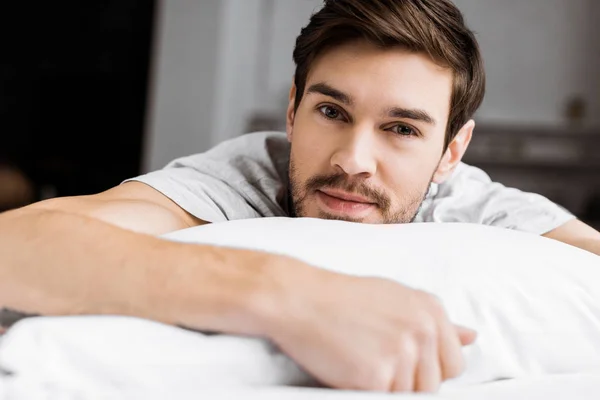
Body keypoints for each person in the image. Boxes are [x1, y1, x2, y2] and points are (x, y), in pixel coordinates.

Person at [1, 0, 599, 393]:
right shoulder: (239, 179)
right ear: (293, 110)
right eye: (331, 112)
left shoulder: (477, 208)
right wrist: (297, 296)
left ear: (452, 151)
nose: (351, 161)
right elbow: (13, 246)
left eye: (402, 129)